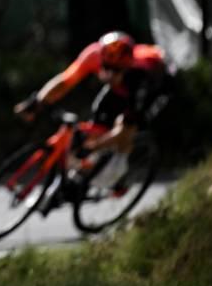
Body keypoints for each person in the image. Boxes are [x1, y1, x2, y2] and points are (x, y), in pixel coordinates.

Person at [14, 31, 170, 191]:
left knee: (126, 128)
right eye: (107, 68)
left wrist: (91, 147)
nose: (110, 74)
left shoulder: (140, 75)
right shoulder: (94, 54)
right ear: (101, 59)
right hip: (122, 87)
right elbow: (66, 80)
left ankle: (118, 176)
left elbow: (123, 131)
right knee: (97, 122)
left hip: (156, 88)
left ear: (127, 66)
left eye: (117, 71)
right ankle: (90, 168)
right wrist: (38, 101)